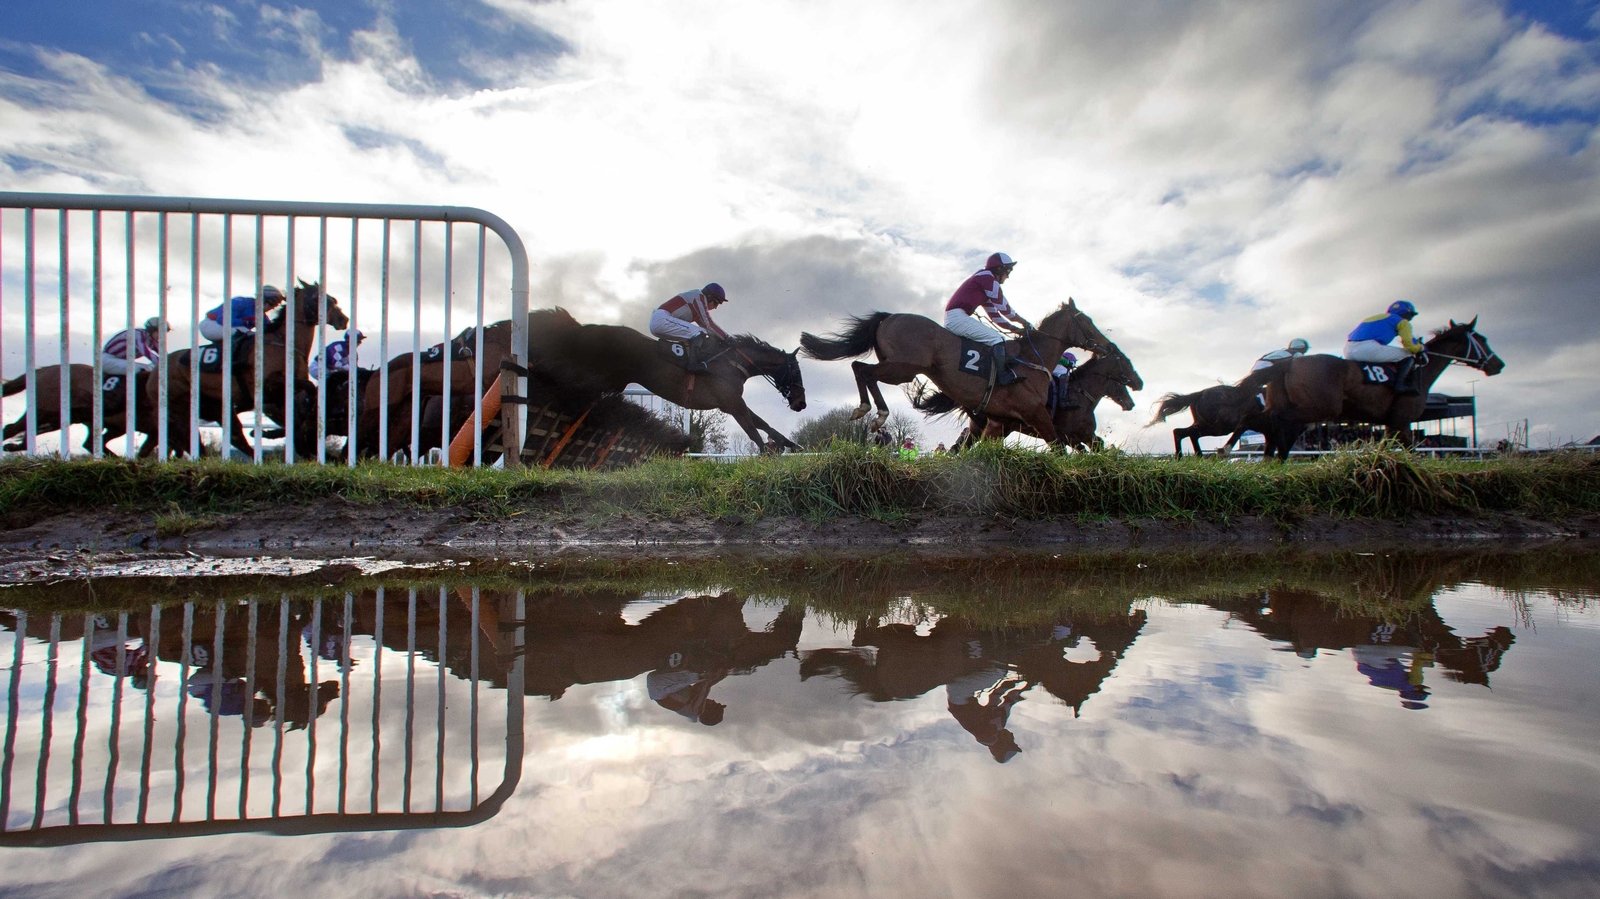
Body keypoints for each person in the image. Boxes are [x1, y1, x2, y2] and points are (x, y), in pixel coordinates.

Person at [943, 252, 1033, 385]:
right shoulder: (988, 279)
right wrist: (1025, 323)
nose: (1008, 276)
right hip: (957, 317)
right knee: (996, 339)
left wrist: (1016, 330)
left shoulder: (984, 284)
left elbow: (995, 316)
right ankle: (1001, 377)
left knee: (997, 339)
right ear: (999, 269)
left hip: (956, 317)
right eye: (1008, 271)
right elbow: (1006, 310)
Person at [1345, 301, 1425, 395]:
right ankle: (1400, 385)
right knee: (1408, 355)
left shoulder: (1372, 318)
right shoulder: (1403, 322)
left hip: (1348, 350)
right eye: (1411, 315)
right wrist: (1421, 348)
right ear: (1407, 313)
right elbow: (1409, 345)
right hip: (1368, 349)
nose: (1410, 319)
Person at [649, 282, 732, 372]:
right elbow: (709, 325)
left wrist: (720, 338)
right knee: (700, 332)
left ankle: (682, 361)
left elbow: (708, 328)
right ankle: (693, 365)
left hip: (662, 321)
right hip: (662, 320)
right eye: (716, 303)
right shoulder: (698, 297)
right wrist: (727, 338)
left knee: (698, 335)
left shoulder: (697, 304)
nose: (715, 307)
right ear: (709, 297)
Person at [199, 284, 285, 343]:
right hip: (211, 325)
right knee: (247, 334)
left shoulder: (262, 316)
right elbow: (222, 319)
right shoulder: (240, 302)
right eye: (273, 305)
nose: (273, 308)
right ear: (265, 301)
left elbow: (268, 330)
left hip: (227, 328)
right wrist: (246, 321)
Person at [99, 317, 166, 376]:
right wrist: (165, 365)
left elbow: (165, 356)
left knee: (150, 367)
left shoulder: (152, 341)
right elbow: (147, 353)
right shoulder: (137, 334)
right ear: (152, 330)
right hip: (107, 360)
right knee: (140, 368)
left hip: (121, 361)